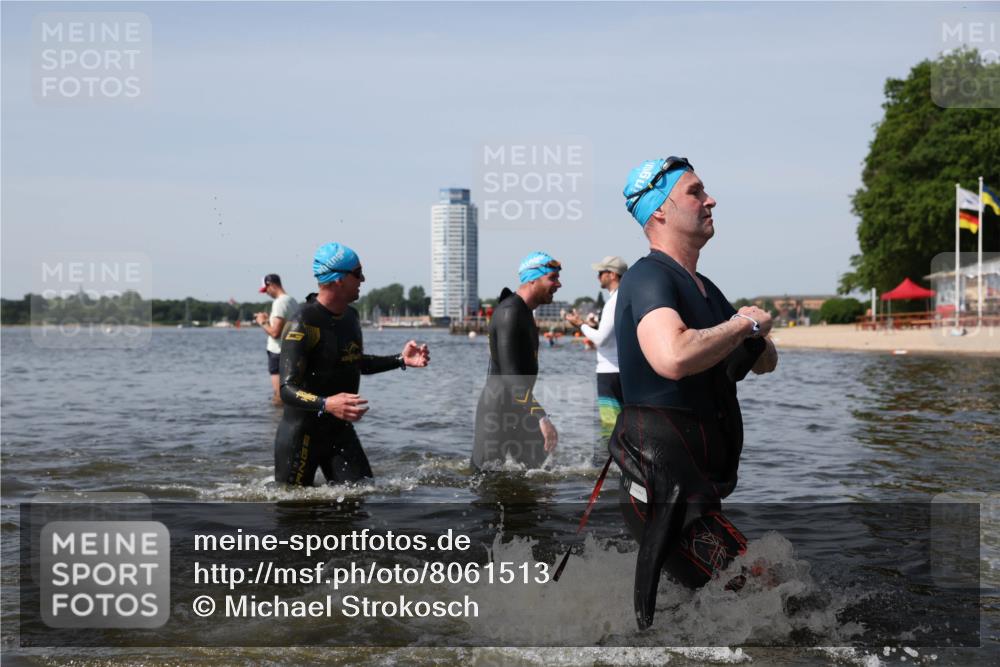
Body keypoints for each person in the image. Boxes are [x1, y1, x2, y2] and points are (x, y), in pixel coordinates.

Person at [612, 157, 778, 629]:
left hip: (697, 490)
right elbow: (673, 356)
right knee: (773, 599)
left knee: (749, 603)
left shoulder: (705, 288)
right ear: (659, 211)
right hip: (663, 494)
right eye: (695, 191)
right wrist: (744, 324)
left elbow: (765, 361)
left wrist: (749, 333)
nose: (710, 200)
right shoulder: (649, 278)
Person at [273, 242, 430, 486]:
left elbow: (354, 362)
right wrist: (326, 403)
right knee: (293, 512)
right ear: (338, 279)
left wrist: (400, 360)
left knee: (362, 498)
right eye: (357, 273)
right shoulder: (302, 322)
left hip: (338, 430)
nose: (363, 279)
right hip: (302, 434)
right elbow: (286, 389)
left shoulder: (351, 317)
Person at [471, 252, 561, 470]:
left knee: (539, 476)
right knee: (486, 484)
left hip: (520, 407)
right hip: (497, 411)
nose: (559, 284)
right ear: (532, 279)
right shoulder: (510, 312)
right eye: (552, 278)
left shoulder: (524, 312)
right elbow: (511, 377)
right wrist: (542, 417)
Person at [565, 255, 628, 458]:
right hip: (623, 371)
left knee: (610, 423)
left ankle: (606, 465)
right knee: (623, 423)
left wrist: (579, 325)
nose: (598, 276)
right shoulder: (626, 297)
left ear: (611, 275)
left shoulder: (613, 301)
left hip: (609, 372)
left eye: (601, 272)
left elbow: (601, 340)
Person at [254, 274, 297, 405]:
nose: (266, 293)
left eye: (266, 290)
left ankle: (277, 420)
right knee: (290, 390)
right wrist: (268, 320)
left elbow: (275, 333)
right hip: (290, 351)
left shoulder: (279, 302)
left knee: (280, 394)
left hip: (278, 352)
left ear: (271, 285)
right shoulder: (292, 300)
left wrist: (261, 322)